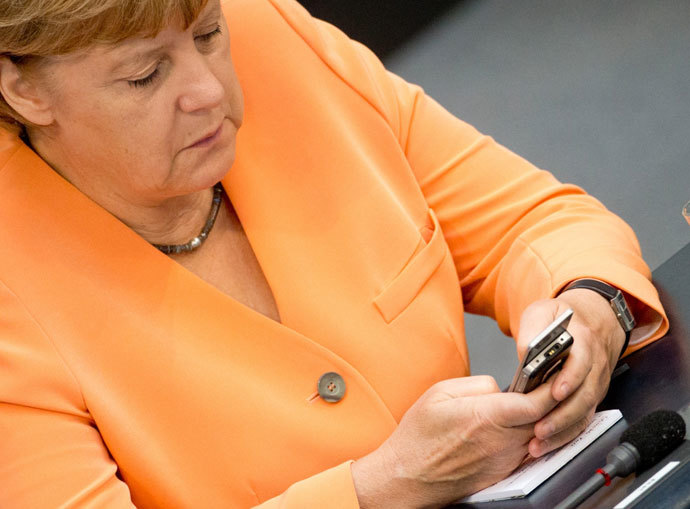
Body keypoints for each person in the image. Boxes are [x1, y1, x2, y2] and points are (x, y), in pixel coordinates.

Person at [0, 0, 667, 507]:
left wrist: (589, 309)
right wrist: (381, 485)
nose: (207, 89)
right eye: (145, 76)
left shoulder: (274, 43)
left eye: (207, 34)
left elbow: (536, 219)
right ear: (22, 90)